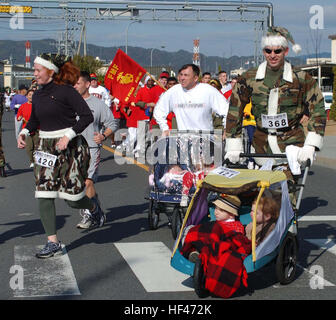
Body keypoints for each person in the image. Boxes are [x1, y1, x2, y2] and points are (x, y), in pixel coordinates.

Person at [17, 53, 104, 259]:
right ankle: (52, 242)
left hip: (70, 146)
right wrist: (24, 132)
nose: (35, 74)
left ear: (50, 71)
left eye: (38, 70)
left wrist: (68, 135)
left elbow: (86, 116)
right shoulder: (37, 94)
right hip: (45, 147)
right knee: (44, 194)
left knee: (72, 199)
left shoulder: (66, 92)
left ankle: (93, 207)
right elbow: (34, 120)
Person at [225, 26, 326, 174]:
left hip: (291, 147)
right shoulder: (249, 78)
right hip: (261, 147)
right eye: (268, 51)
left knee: (285, 193)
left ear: (285, 51)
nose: (272, 55)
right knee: (262, 194)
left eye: (277, 51)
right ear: (263, 51)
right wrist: (234, 145)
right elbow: (235, 109)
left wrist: (311, 145)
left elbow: (318, 109)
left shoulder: (301, 78)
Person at [74, 71, 118, 229]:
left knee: (87, 182)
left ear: (87, 84)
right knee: (78, 184)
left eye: (78, 83)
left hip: (92, 148)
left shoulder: (98, 104)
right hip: (73, 149)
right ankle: (96, 209)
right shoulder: (69, 103)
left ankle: (88, 214)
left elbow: (112, 123)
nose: (75, 86)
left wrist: (103, 135)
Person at [153, 63, 229, 136]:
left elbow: (226, 110)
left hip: (205, 141)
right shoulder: (174, 91)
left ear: (195, 78)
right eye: (181, 75)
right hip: (183, 142)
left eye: (186, 75)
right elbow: (159, 111)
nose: (182, 78)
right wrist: (164, 128)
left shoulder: (208, 90)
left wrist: (225, 129)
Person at [16, 89, 38, 167]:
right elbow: (18, 117)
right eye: (30, 94)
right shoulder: (23, 106)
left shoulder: (38, 106)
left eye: (33, 95)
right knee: (29, 148)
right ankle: (32, 160)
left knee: (37, 147)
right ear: (26, 96)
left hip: (37, 129)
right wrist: (20, 118)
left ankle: (36, 161)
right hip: (26, 130)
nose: (31, 96)